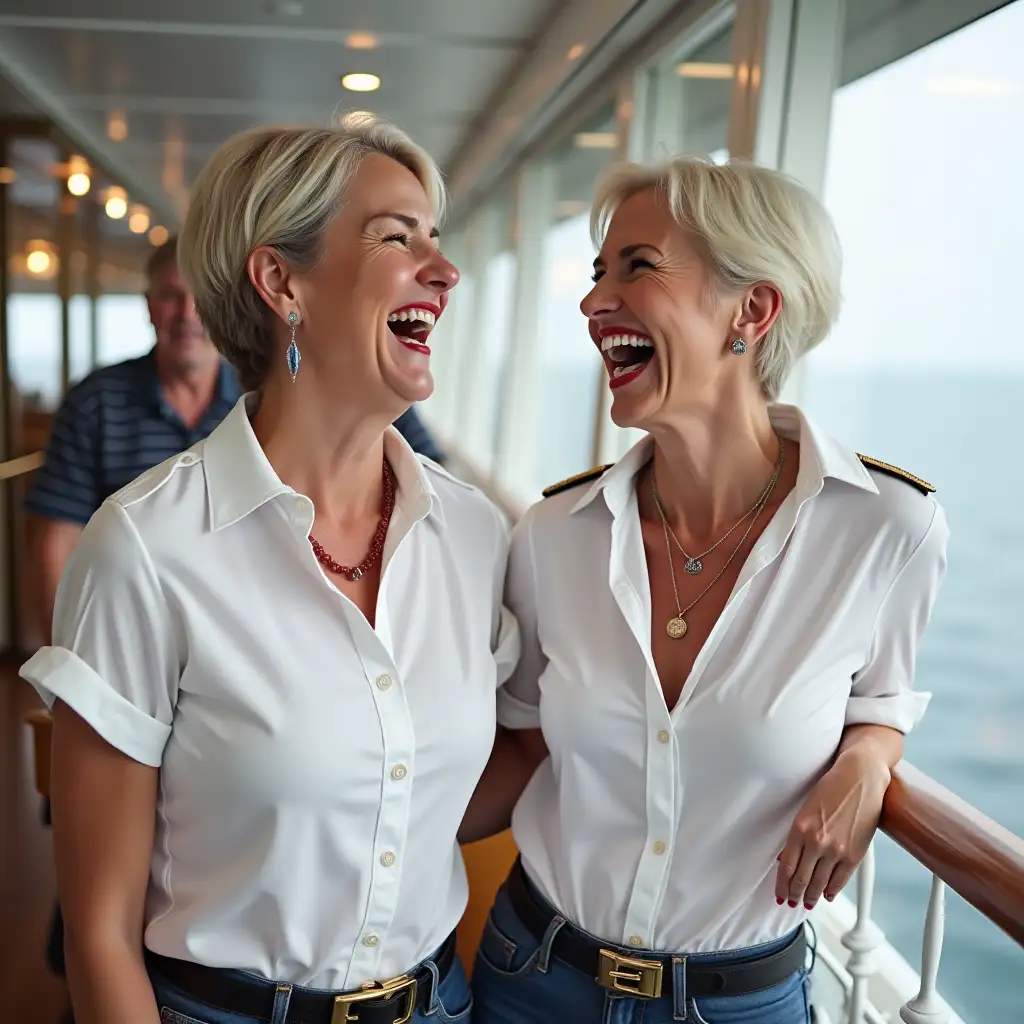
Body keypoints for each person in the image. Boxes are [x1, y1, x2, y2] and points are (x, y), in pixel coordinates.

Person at [21, 117, 518, 1024]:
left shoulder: (476, 536)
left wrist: (870, 733)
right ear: (281, 281)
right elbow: (98, 935)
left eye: (437, 241)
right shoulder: (145, 548)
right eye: (396, 238)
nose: (443, 272)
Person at [463, 156, 948, 1024]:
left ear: (752, 311)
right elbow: (525, 745)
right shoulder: (552, 537)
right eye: (596, 274)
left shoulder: (887, 531)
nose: (591, 303)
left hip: (743, 1002)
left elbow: (881, 698)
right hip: (533, 975)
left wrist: (871, 758)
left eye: (636, 267)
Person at [25, 236, 241, 645]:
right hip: (119, 635)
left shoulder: (262, 399)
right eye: (170, 296)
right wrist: (66, 667)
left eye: (200, 297)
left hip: (234, 638)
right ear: (147, 305)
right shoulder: (95, 402)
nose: (187, 314)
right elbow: (56, 541)